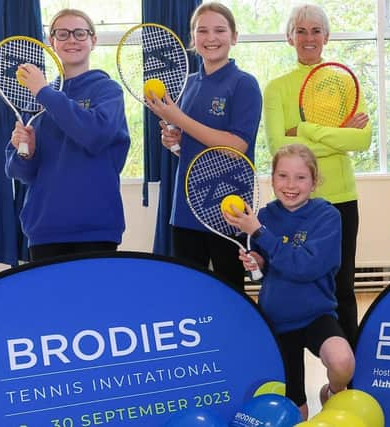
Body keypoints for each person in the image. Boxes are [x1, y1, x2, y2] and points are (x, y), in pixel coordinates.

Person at [263, 3, 371, 346]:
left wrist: (305, 129)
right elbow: (279, 147)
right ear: (289, 37)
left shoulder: (344, 82)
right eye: (301, 31)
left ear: (326, 36)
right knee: (292, 281)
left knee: (344, 288)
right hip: (293, 207)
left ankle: (347, 376)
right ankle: (294, 378)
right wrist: (336, 135)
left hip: (341, 197)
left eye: (315, 31)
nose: (308, 38)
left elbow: (362, 138)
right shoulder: (276, 88)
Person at [224, 144, 355, 420]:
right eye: (282, 176)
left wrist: (259, 233)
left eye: (300, 177)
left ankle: (331, 392)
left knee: (343, 361)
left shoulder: (328, 217)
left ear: (314, 181)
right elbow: (266, 265)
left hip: (316, 315)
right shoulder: (265, 217)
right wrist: (255, 264)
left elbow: (306, 266)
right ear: (271, 179)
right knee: (297, 414)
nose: (290, 185)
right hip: (277, 323)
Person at [146, 2, 262, 292]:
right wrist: (175, 142)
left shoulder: (245, 84)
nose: (212, 37)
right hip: (186, 207)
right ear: (193, 38)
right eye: (203, 30)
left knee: (230, 293)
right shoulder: (188, 84)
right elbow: (191, 144)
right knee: (188, 292)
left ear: (234, 37)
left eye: (220, 30)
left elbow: (236, 145)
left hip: (228, 210)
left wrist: (179, 119)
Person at [6, 9, 130, 262]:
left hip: (96, 229)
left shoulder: (107, 90)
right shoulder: (39, 96)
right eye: (62, 34)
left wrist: (44, 91)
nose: (71, 39)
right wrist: (25, 151)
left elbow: (95, 135)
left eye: (80, 33)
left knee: (95, 302)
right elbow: (22, 174)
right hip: (44, 231)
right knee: (50, 304)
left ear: (93, 41)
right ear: (52, 42)